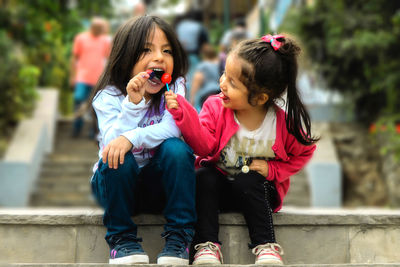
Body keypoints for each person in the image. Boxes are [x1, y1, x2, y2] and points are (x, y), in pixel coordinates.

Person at [165, 34, 318, 265]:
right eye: (225, 73)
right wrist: (184, 114)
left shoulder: (282, 124)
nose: (222, 83)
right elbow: (204, 147)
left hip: (259, 193)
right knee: (204, 175)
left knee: (249, 179)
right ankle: (206, 245)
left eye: (233, 83)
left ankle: (265, 245)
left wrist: (273, 170)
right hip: (218, 193)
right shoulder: (215, 106)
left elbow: (305, 152)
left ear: (259, 98)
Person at [90, 16, 196, 265]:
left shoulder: (175, 87)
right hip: (114, 184)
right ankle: (121, 239)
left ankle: (180, 237)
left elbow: (172, 129)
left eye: (167, 50)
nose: (159, 57)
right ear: (125, 57)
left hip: (156, 185)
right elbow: (112, 145)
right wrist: (133, 106)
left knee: (176, 149)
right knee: (118, 155)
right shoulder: (107, 97)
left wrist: (132, 137)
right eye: (147, 49)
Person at [70, 17, 111, 138]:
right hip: (82, 77)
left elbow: (109, 58)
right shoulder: (81, 38)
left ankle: (93, 132)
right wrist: (72, 76)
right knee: (79, 100)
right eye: (98, 28)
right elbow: (74, 58)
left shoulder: (105, 41)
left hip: (98, 80)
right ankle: (76, 128)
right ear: (92, 27)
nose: (100, 30)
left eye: (102, 28)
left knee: (96, 106)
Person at [175, 9, 209, 99]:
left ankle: (182, 100)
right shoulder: (199, 27)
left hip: (181, 56)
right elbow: (205, 45)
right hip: (193, 56)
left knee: (182, 79)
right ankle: (192, 103)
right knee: (194, 79)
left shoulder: (180, 26)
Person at [189, 44, 220, 112]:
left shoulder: (203, 66)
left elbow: (197, 80)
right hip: (219, 92)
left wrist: (192, 98)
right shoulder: (219, 64)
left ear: (204, 55)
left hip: (208, 94)